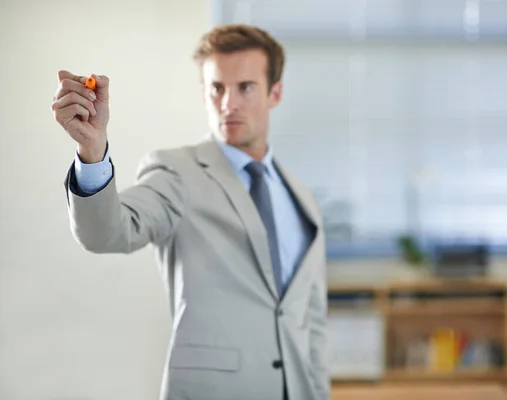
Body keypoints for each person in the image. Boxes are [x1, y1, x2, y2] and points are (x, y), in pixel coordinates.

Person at [52, 24, 329, 400]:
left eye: (245, 87)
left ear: (274, 93)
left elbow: (312, 324)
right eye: (217, 88)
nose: (228, 103)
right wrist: (92, 150)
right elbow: (108, 233)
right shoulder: (176, 172)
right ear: (204, 93)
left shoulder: (301, 198)